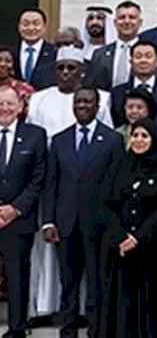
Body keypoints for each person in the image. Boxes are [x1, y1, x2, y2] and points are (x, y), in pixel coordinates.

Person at [40, 87, 124, 338]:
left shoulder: (112, 140)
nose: (83, 106)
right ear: (73, 106)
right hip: (66, 223)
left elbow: (117, 184)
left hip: (98, 224)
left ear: (98, 106)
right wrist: (48, 221)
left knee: (97, 281)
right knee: (68, 281)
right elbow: (51, 184)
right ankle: (68, 331)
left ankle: (96, 330)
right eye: (78, 102)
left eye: (88, 101)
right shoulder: (59, 139)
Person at [95, 118, 157, 338]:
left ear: (154, 139)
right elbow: (105, 204)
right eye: (135, 135)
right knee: (121, 304)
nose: (139, 140)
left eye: (144, 136)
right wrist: (121, 236)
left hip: (150, 251)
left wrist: (138, 237)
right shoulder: (118, 167)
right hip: (119, 250)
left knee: (148, 306)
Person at [0, 85, 48, 336]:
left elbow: (39, 177)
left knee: (18, 275)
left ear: (20, 107)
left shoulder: (35, 135)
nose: (5, 109)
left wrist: (15, 208)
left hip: (19, 219)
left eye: (10, 103)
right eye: (1, 104)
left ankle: (17, 328)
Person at [87, 1, 144, 91]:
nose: (126, 21)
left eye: (132, 17)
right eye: (122, 17)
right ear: (115, 23)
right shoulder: (99, 54)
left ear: (140, 22)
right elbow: (91, 86)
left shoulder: (149, 53)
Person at [15, 7, 58, 89]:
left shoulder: (55, 52)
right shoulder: (11, 52)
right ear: (19, 26)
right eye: (25, 24)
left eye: (36, 23)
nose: (31, 28)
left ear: (44, 27)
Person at [0, 46, 36, 118]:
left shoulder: (25, 89)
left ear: (13, 66)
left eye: (8, 61)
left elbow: (33, 114)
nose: (2, 64)